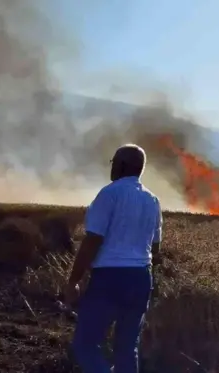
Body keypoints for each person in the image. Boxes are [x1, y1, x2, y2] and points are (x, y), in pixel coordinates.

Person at [63, 143, 162, 373]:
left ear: (122, 165)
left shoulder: (109, 194)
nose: (112, 167)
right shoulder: (153, 200)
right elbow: (155, 248)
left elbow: (92, 241)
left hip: (110, 278)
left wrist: (73, 280)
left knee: (85, 344)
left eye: (114, 162)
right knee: (127, 349)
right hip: (141, 278)